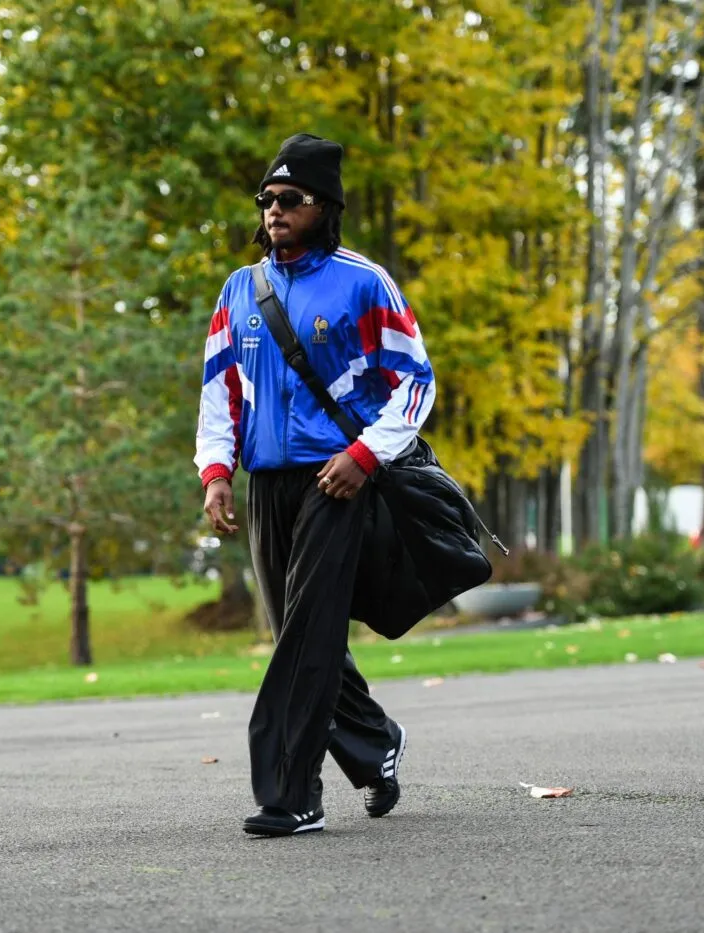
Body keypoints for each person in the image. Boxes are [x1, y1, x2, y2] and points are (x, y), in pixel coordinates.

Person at [194, 133, 436, 837]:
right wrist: (217, 473)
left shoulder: (366, 282)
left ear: (324, 207)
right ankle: (375, 741)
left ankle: (292, 793)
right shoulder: (240, 290)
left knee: (306, 637)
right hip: (267, 485)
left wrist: (366, 454)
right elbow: (218, 390)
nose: (274, 210)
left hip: (340, 483)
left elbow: (416, 382)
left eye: (290, 199)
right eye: (266, 199)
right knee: (300, 637)